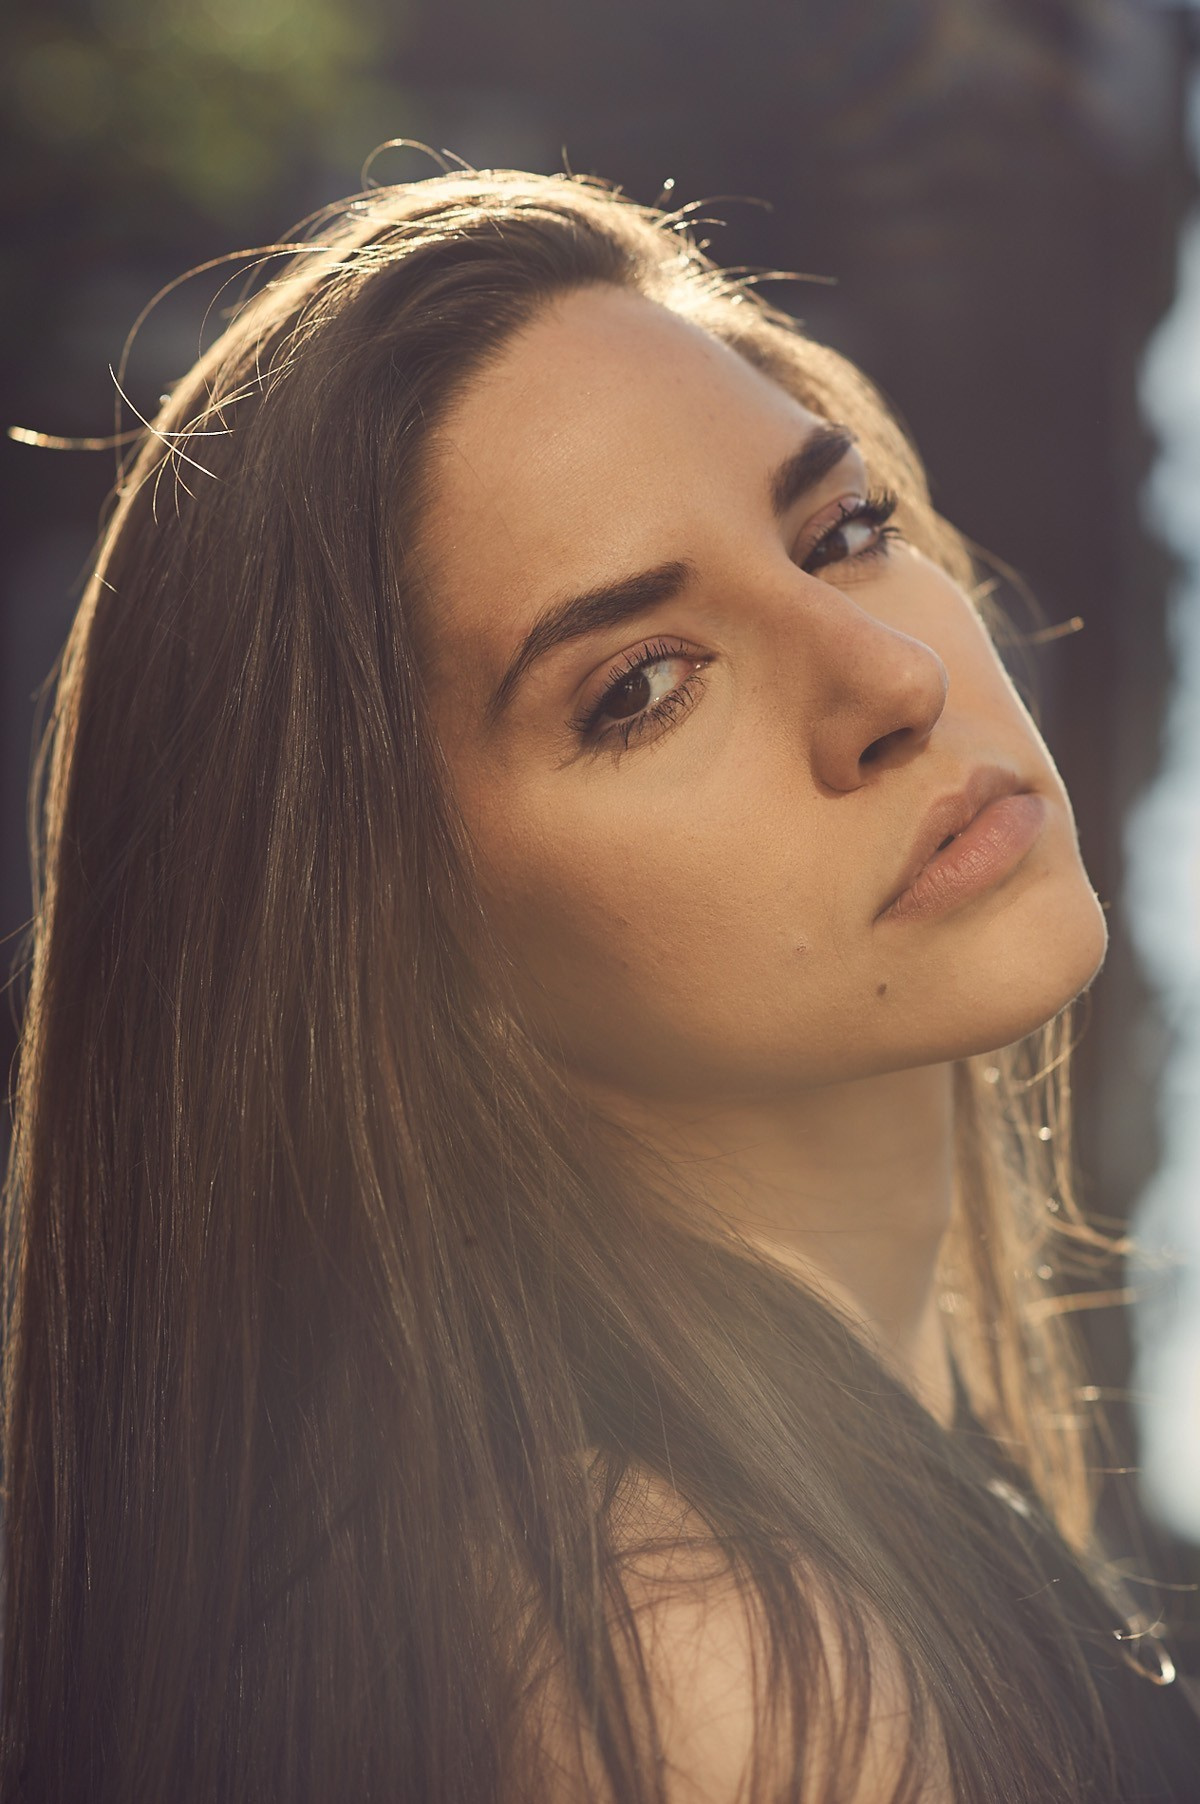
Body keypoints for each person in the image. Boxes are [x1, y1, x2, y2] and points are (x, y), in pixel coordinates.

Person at [3, 165, 1197, 1804]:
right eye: (640, 685)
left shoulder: (811, 1561)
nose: (895, 676)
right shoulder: (715, 1682)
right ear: (407, 955)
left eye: (842, 533)